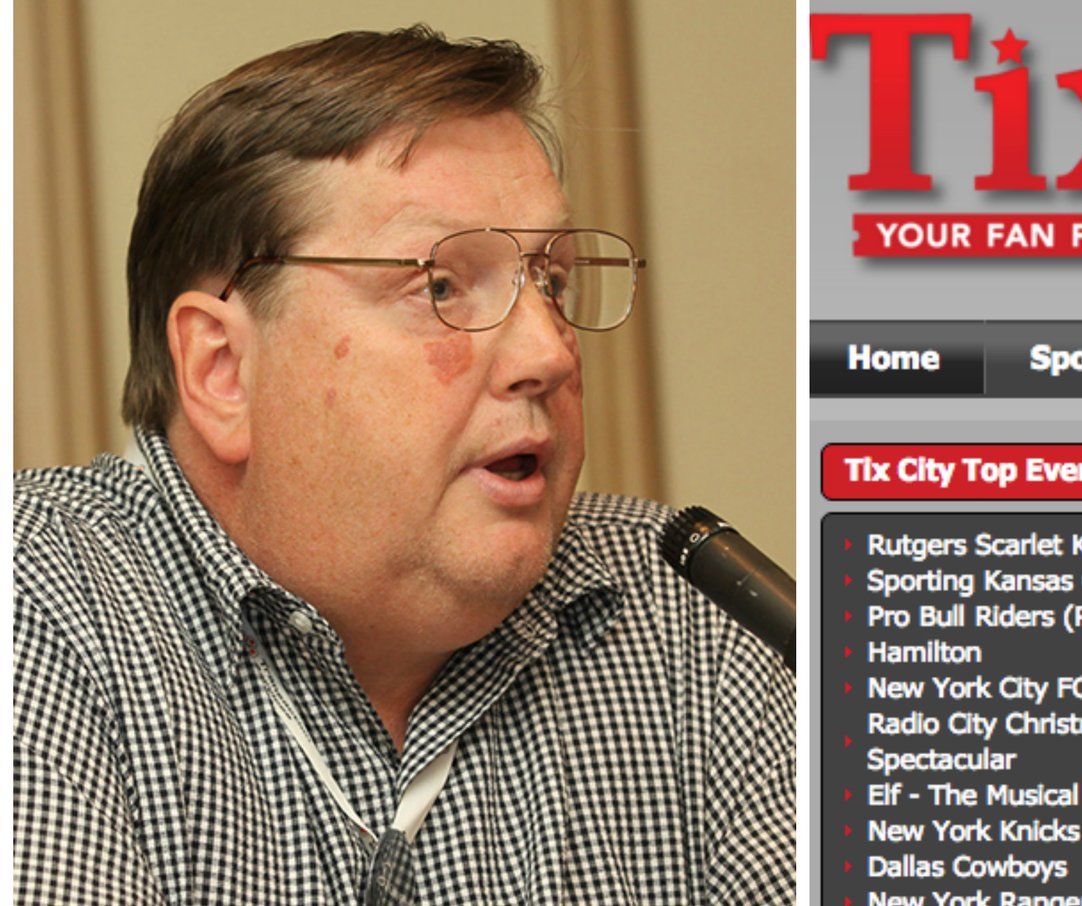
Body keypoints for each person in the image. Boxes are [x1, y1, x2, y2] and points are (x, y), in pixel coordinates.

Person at [13, 26, 795, 904]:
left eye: (554, 284)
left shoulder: (689, 620)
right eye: (441, 286)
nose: (549, 351)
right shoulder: (39, 600)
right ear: (221, 371)